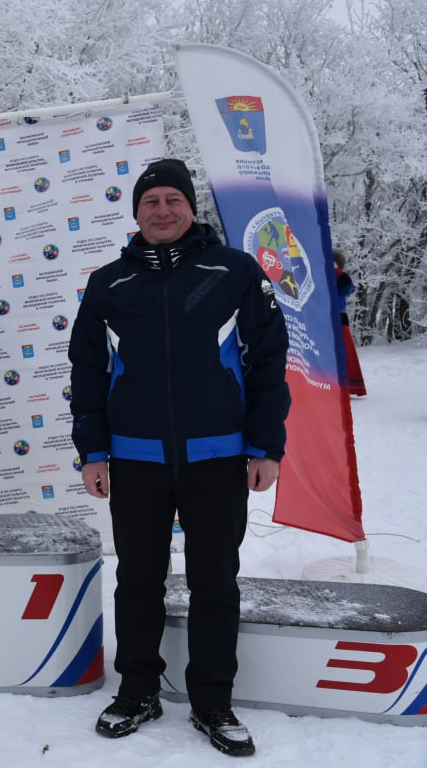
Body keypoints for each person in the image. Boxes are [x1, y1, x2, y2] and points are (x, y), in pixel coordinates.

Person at [69, 158, 290, 758]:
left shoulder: (234, 272)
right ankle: (137, 689)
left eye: (173, 200)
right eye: (150, 202)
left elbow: (269, 363)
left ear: (191, 208)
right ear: (135, 212)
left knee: (214, 581)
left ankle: (213, 701)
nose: (162, 211)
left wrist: (266, 445)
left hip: (217, 458)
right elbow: (87, 371)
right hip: (135, 459)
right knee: (137, 579)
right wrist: (92, 450)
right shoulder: (108, 282)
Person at [333, 249, 367, 397]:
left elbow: (347, 287)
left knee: (343, 351)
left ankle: (345, 385)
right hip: (326, 319)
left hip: (338, 319)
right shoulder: (324, 275)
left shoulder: (339, 275)